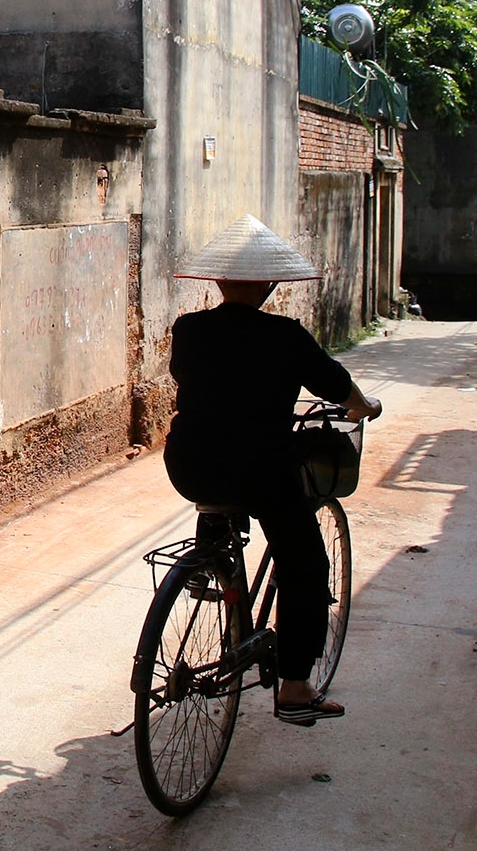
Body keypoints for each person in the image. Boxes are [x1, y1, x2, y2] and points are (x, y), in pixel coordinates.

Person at [163, 214, 381, 726]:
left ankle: (210, 559)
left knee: (217, 482)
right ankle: (297, 688)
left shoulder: (189, 329)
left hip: (188, 463)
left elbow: (187, 378)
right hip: (260, 470)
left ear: (218, 281)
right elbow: (335, 383)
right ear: (268, 286)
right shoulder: (286, 336)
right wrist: (363, 406)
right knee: (304, 562)